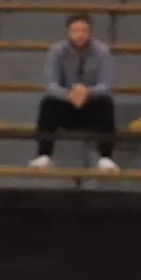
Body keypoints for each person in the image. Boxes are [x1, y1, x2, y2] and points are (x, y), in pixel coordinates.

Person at [30, 13, 119, 172]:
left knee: (106, 103)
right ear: (68, 32)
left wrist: (86, 92)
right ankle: (44, 155)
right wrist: (70, 94)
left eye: (84, 31)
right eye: (75, 30)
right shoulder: (57, 51)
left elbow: (106, 85)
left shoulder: (102, 52)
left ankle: (106, 158)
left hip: (92, 104)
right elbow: (51, 85)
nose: (80, 35)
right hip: (66, 103)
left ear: (90, 32)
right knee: (48, 104)